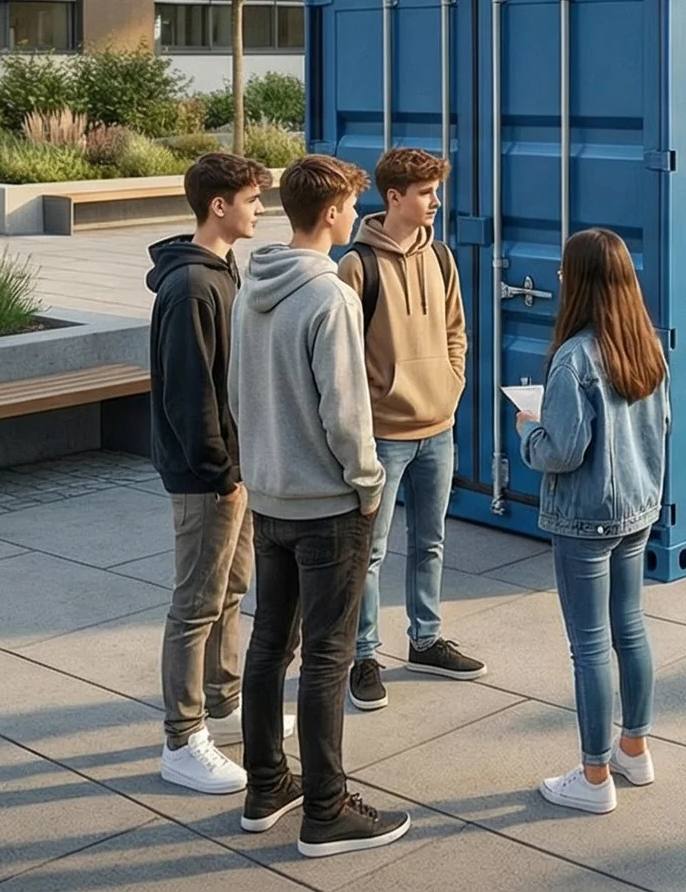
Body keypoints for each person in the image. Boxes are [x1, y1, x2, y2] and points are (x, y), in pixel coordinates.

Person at [231, 154, 411, 858]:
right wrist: (368, 483)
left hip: (270, 497)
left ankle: (265, 786)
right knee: (330, 656)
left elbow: (238, 393)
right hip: (327, 506)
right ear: (333, 210)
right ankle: (328, 810)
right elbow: (345, 414)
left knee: (270, 641)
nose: (350, 216)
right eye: (349, 206)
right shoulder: (330, 295)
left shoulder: (253, 287)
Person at [150, 152, 294, 795]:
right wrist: (220, 472)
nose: (260, 209)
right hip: (209, 477)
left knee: (230, 593)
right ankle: (182, 740)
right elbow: (189, 395)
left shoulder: (222, 271)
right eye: (252, 199)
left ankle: (225, 703)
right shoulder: (190, 287)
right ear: (219, 206)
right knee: (195, 606)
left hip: (235, 470)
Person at [516, 227, 670, 815]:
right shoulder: (647, 345)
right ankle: (635, 748)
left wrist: (529, 430)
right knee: (630, 628)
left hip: (585, 518)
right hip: (636, 508)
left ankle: (594, 775)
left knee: (589, 647)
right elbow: (663, 426)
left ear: (578, 281)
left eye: (562, 271)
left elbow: (562, 451)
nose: (557, 278)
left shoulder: (574, 357)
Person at [336, 147, 481, 712]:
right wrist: (375, 408)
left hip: (438, 425)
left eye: (435, 191)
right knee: (369, 552)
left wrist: (451, 385)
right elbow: (342, 356)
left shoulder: (442, 258)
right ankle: (364, 655)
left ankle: (425, 640)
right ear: (393, 197)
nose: (435, 202)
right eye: (425, 193)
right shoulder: (357, 266)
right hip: (385, 436)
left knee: (432, 541)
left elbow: (455, 331)